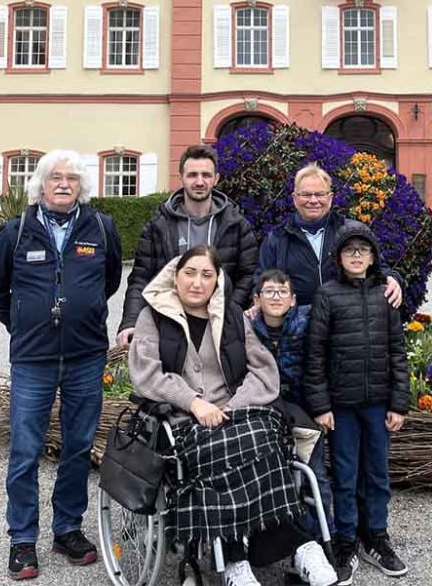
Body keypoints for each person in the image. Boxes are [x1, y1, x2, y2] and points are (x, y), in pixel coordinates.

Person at [128, 246, 337, 586]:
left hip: (237, 412)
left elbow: (264, 372)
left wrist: (232, 406)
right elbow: (146, 374)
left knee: (266, 437)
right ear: (175, 277)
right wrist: (194, 403)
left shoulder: (233, 316)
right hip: (184, 421)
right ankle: (257, 554)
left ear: (217, 281)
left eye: (207, 275)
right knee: (224, 448)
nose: (198, 282)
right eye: (190, 273)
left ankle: (281, 550)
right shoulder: (152, 317)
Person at [0, 150, 123, 580]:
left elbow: (111, 279)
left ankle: (67, 529)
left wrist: (84, 313)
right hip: (33, 359)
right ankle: (22, 539)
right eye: (55, 178)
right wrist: (24, 325)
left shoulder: (101, 227)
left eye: (72, 179)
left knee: (78, 448)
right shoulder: (17, 230)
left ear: (82, 187)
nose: (63, 184)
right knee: (25, 451)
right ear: (40, 186)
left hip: (85, 356)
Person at [304, 224, 410, 584]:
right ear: (339, 257)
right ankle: (346, 541)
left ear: (373, 257)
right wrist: (321, 405)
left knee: (377, 474)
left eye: (363, 250)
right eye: (350, 250)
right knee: (345, 476)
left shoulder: (385, 296)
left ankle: (376, 535)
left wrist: (399, 403)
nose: (356, 256)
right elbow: (315, 353)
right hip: (342, 405)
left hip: (379, 404)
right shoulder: (327, 295)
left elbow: (398, 351)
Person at [118, 144, 258, 346]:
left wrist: (227, 311)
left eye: (206, 175)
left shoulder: (235, 224)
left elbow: (248, 275)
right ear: (181, 177)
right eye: (192, 175)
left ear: (216, 179)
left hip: (221, 327)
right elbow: (141, 277)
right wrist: (130, 322)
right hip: (170, 324)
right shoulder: (159, 226)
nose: (199, 181)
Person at [247, 269, 334, 551]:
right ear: (256, 299)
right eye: (269, 292)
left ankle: (322, 537)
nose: (276, 297)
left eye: (282, 292)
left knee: (314, 473)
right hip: (265, 410)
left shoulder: (307, 322)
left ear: (294, 299)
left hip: (304, 409)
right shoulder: (247, 329)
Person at [254, 163, 403, 309]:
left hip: (346, 325)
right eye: (306, 194)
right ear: (294, 198)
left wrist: (392, 279)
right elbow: (261, 282)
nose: (313, 200)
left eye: (320, 194)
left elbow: (380, 268)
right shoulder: (277, 238)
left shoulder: (353, 232)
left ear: (330, 198)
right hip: (296, 328)